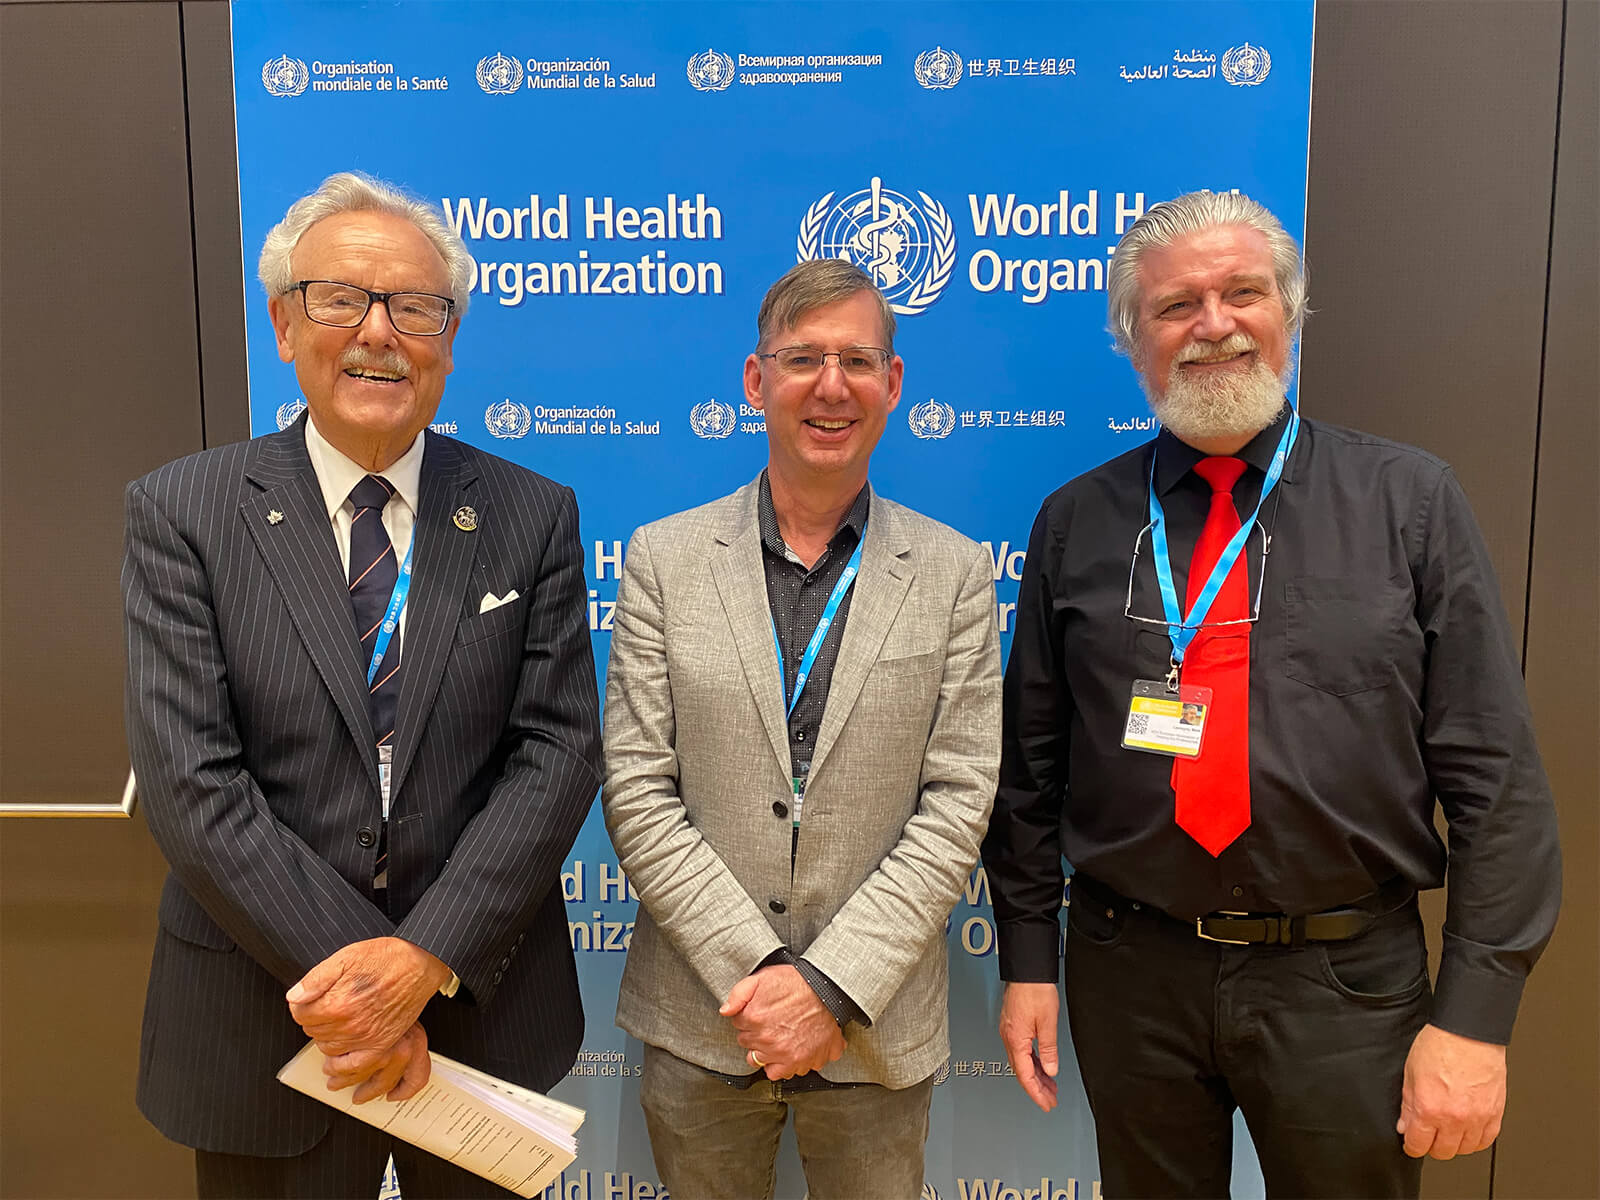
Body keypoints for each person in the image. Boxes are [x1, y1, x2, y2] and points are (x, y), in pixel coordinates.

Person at [982, 190, 1560, 1198]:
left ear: (1288, 313)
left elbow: (1496, 784)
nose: (1212, 325)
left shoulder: (1408, 504)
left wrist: (1474, 1017)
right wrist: (1028, 957)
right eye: (1174, 306)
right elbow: (1028, 772)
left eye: (1241, 293)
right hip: (1132, 973)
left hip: (1343, 981)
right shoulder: (1074, 521)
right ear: (1133, 340)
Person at [123, 171, 601, 1199]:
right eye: (341, 298)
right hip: (268, 1013)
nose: (379, 332)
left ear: (450, 336)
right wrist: (370, 984)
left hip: (478, 1016)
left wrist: (425, 963)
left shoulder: (530, 513)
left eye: (415, 307)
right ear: (285, 324)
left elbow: (555, 755)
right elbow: (191, 784)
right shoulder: (186, 512)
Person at [602, 259, 1001, 1200]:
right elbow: (637, 788)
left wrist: (827, 990)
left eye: (858, 360)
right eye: (803, 359)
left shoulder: (952, 573)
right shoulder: (664, 559)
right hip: (708, 1017)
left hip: (873, 1027)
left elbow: (958, 801)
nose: (832, 386)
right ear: (756, 380)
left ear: (893, 384)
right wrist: (764, 980)